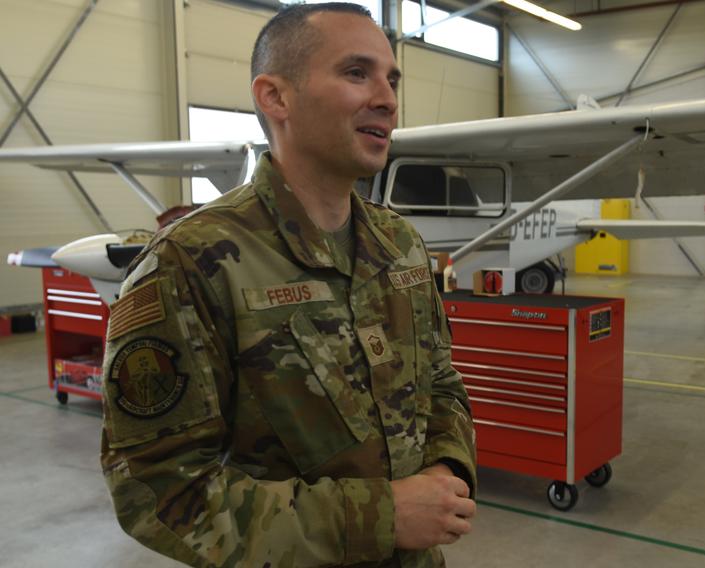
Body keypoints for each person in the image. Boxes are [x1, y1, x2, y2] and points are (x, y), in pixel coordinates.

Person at [99, 3, 477, 567]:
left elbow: (441, 381)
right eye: (357, 73)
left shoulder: (401, 244)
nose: (388, 99)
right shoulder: (191, 262)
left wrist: (446, 470)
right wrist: (381, 517)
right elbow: (159, 490)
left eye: (391, 78)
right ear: (275, 97)